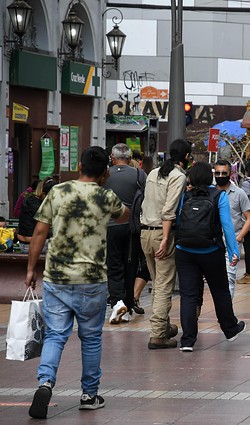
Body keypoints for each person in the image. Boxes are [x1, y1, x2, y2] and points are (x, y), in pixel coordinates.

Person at [25, 147, 128, 418]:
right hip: (92, 279)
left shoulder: (58, 192)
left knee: (56, 335)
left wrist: (30, 268)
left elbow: (39, 230)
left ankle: (45, 382)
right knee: (91, 338)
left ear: (79, 165)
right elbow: (124, 215)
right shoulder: (106, 196)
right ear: (105, 171)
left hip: (56, 277)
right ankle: (89, 394)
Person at [175, 162, 245, 351]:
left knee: (188, 296)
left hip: (184, 250)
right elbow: (227, 226)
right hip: (211, 251)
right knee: (220, 291)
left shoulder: (184, 196)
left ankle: (188, 340)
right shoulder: (219, 195)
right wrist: (234, 252)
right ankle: (230, 329)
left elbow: (179, 222)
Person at [140, 139, 190, 349]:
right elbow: (168, 211)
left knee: (156, 281)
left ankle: (164, 325)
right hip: (162, 233)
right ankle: (158, 333)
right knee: (163, 285)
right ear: (186, 157)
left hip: (145, 233)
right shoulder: (179, 176)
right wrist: (167, 238)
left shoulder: (154, 173)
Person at [103, 143, 147, 324]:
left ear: (112, 158)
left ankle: (116, 303)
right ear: (130, 159)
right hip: (131, 228)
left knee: (113, 267)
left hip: (109, 228)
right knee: (130, 267)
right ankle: (127, 307)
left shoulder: (105, 176)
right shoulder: (139, 174)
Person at [214, 160, 250, 297]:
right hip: (212, 242)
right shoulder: (210, 191)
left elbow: (249, 218)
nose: (220, 176)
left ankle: (226, 314)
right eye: (217, 173)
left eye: (224, 173)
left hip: (231, 244)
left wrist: (239, 237)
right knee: (213, 279)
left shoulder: (239, 193)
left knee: (229, 279)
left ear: (230, 174)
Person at [17, 178, 56, 254]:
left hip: (22, 243)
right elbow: (43, 230)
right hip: (34, 245)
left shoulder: (28, 199)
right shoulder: (41, 206)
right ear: (45, 194)